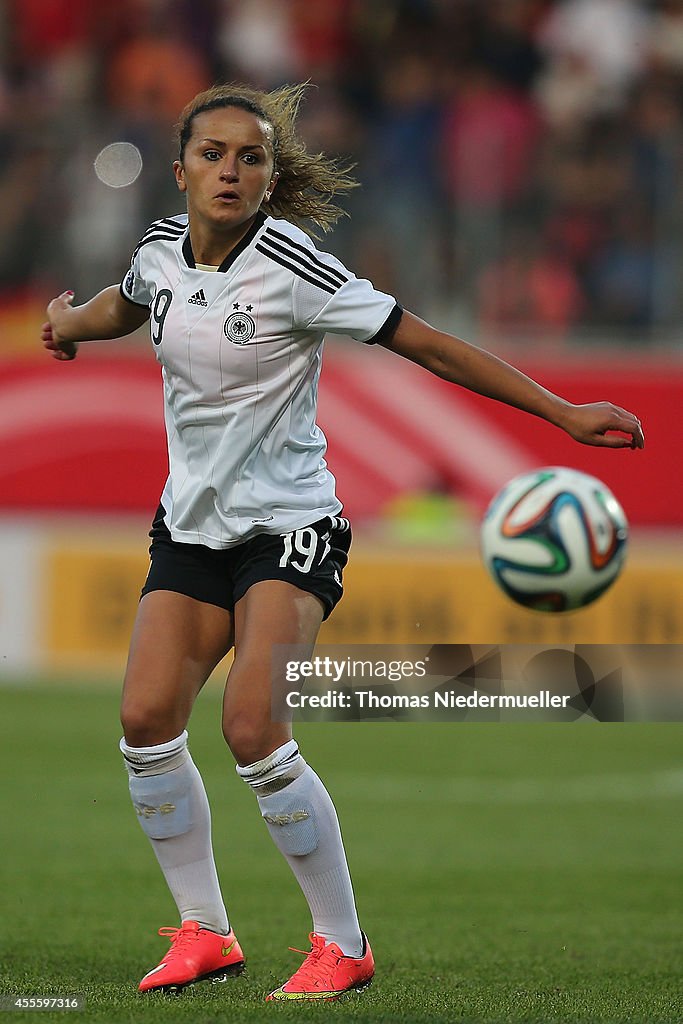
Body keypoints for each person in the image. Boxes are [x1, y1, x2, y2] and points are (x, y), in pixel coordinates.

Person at [42, 82, 644, 1003]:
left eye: (251, 157)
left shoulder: (292, 265)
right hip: (192, 528)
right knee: (144, 720)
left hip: (290, 527)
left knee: (252, 725)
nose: (231, 171)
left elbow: (428, 344)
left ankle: (342, 944)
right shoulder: (160, 253)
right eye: (213, 154)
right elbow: (126, 306)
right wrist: (69, 325)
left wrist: (560, 412)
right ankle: (204, 931)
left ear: (269, 176)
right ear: (180, 171)